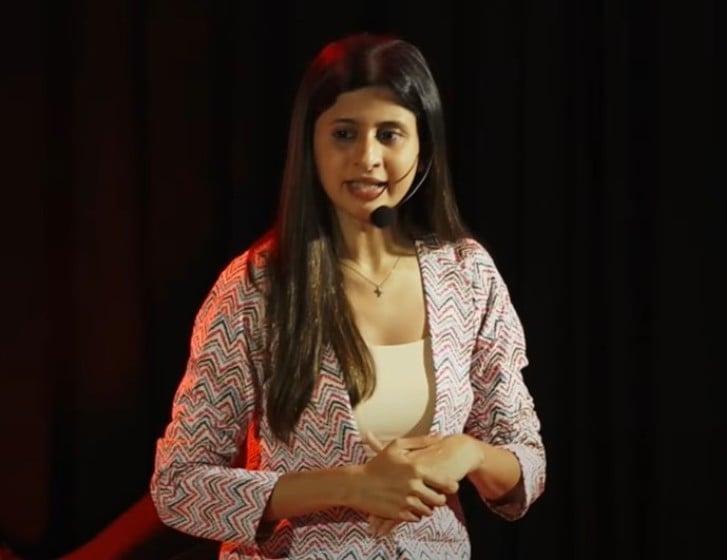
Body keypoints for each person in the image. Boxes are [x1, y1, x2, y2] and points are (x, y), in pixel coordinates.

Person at [150, 31, 546, 559]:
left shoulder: (467, 275)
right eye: (343, 134)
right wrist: (349, 485)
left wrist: (467, 452)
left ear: (423, 145)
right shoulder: (256, 287)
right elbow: (178, 485)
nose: (367, 157)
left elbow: (526, 461)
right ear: (309, 145)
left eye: (390, 134)